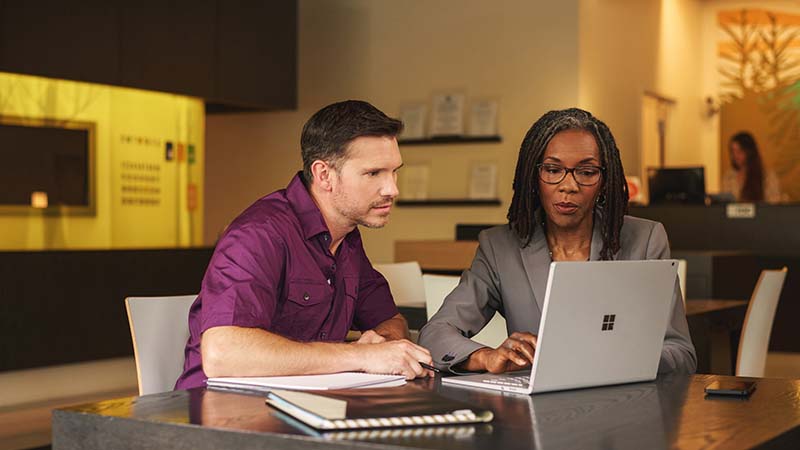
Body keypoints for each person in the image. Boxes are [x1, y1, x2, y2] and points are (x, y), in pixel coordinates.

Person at [175, 100, 433, 390]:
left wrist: (383, 345)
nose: (392, 189)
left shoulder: (346, 239)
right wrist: (360, 355)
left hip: (301, 409)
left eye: (394, 171)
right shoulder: (258, 233)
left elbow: (391, 321)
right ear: (324, 175)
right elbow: (222, 353)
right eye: (373, 173)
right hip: (221, 416)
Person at [418, 108, 696, 374]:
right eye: (552, 170)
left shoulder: (645, 240)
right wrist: (486, 357)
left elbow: (681, 354)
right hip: (537, 411)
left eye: (586, 172)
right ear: (533, 177)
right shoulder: (499, 247)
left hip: (621, 408)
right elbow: (436, 333)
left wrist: (614, 359)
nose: (569, 185)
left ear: (603, 180)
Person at [722, 131, 781, 203]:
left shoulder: (767, 176)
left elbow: (774, 202)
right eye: (732, 152)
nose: (735, 156)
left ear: (749, 151)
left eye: (739, 151)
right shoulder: (729, 176)